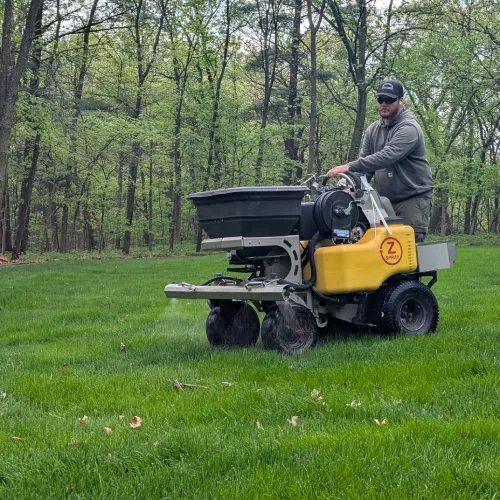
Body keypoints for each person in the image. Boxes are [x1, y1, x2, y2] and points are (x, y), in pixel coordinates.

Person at [327, 80, 434, 243]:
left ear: (401, 101)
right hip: (383, 201)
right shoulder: (372, 130)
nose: (384, 104)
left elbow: (386, 156)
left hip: (413, 199)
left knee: (410, 252)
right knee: (385, 251)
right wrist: (345, 185)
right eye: (380, 99)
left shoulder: (409, 128)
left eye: (389, 100)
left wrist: (348, 166)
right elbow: (364, 170)